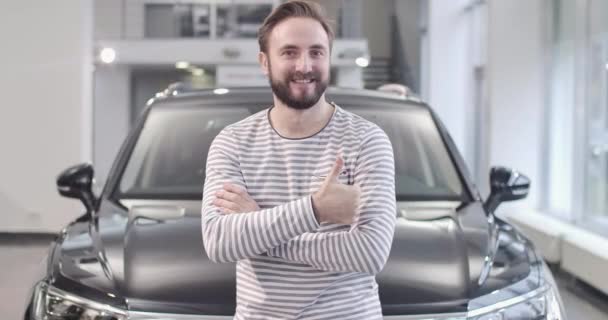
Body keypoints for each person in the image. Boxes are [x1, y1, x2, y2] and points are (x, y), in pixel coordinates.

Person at [201, 1, 396, 319]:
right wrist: (315, 210)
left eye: (316, 52)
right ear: (265, 62)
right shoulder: (232, 142)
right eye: (289, 52)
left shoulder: (366, 141)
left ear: (329, 58)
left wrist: (260, 229)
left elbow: (371, 253)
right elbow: (219, 241)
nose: (305, 65)